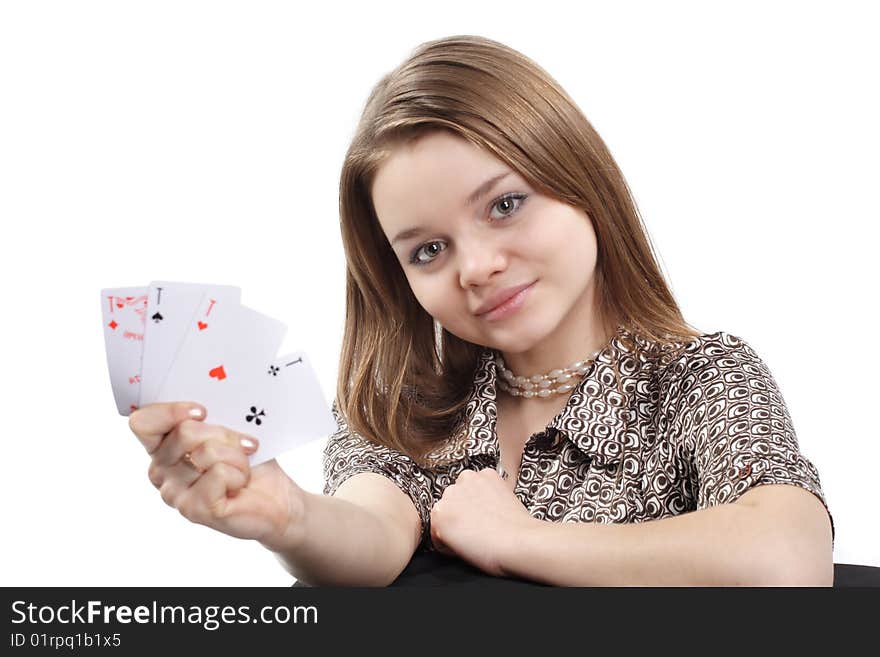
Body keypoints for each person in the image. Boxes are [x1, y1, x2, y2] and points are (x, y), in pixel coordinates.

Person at [128, 34, 835, 587]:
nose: (476, 267)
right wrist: (286, 515)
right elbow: (371, 532)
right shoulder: (405, 405)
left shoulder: (698, 380)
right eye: (428, 249)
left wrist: (516, 539)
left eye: (505, 205)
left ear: (580, 179)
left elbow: (785, 557)